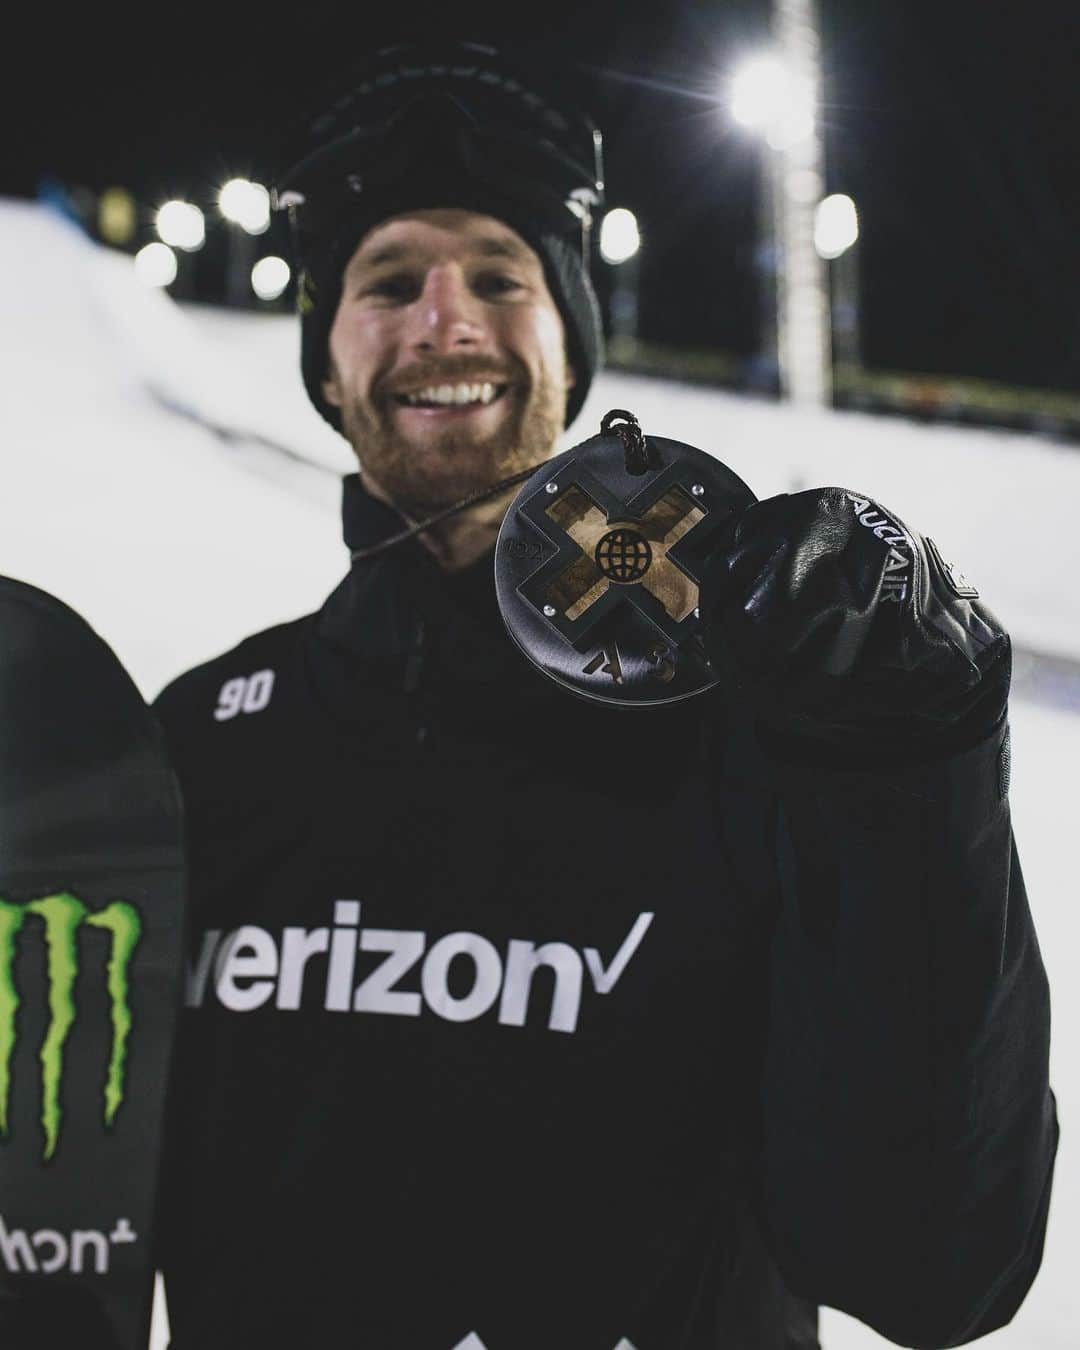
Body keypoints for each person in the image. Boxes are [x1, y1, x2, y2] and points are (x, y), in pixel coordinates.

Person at [152, 40, 1058, 1350]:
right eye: (389, 279)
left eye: (501, 277)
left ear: (569, 343)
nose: (445, 319)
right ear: (330, 361)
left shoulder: (766, 742)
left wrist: (912, 768)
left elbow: (932, 1268)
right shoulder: (197, 747)